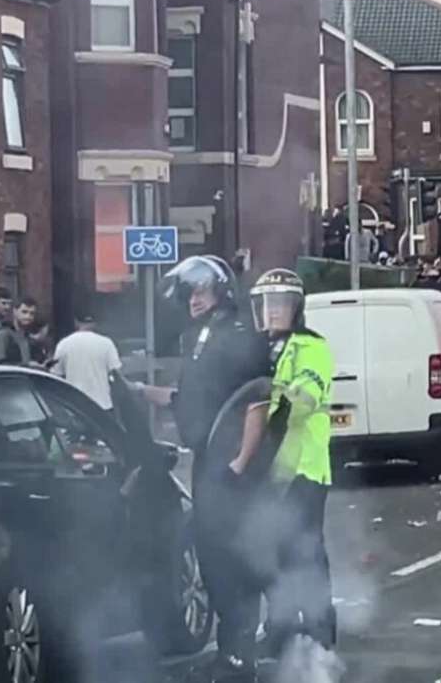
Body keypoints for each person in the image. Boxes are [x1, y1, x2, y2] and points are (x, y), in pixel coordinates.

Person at [141, 255, 271, 682]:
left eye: (200, 291)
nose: (193, 299)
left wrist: (240, 462)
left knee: (234, 557)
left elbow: (256, 400)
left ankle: (240, 656)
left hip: (231, 464)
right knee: (212, 557)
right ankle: (230, 650)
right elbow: (190, 398)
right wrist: (139, 391)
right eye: (189, 293)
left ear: (220, 291)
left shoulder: (239, 334)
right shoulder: (195, 334)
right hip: (206, 461)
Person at [230, 269, 336, 655]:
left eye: (280, 304)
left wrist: (283, 396)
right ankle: (281, 627)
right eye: (266, 304)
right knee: (269, 550)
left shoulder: (310, 347)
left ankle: (321, 633)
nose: (272, 312)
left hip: (303, 467)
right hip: (270, 470)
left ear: (296, 308)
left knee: (305, 550)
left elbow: (305, 394)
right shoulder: (260, 349)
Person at [51, 310, 122, 412]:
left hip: (75, 407)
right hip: (103, 405)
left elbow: (56, 376)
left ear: (76, 322)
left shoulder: (64, 344)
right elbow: (117, 374)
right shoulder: (107, 343)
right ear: (95, 323)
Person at [0, 297, 37, 366]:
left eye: (32, 313)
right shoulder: (3, 334)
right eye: (24, 312)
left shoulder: (28, 337)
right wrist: (26, 365)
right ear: (15, 311)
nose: (28, 317)